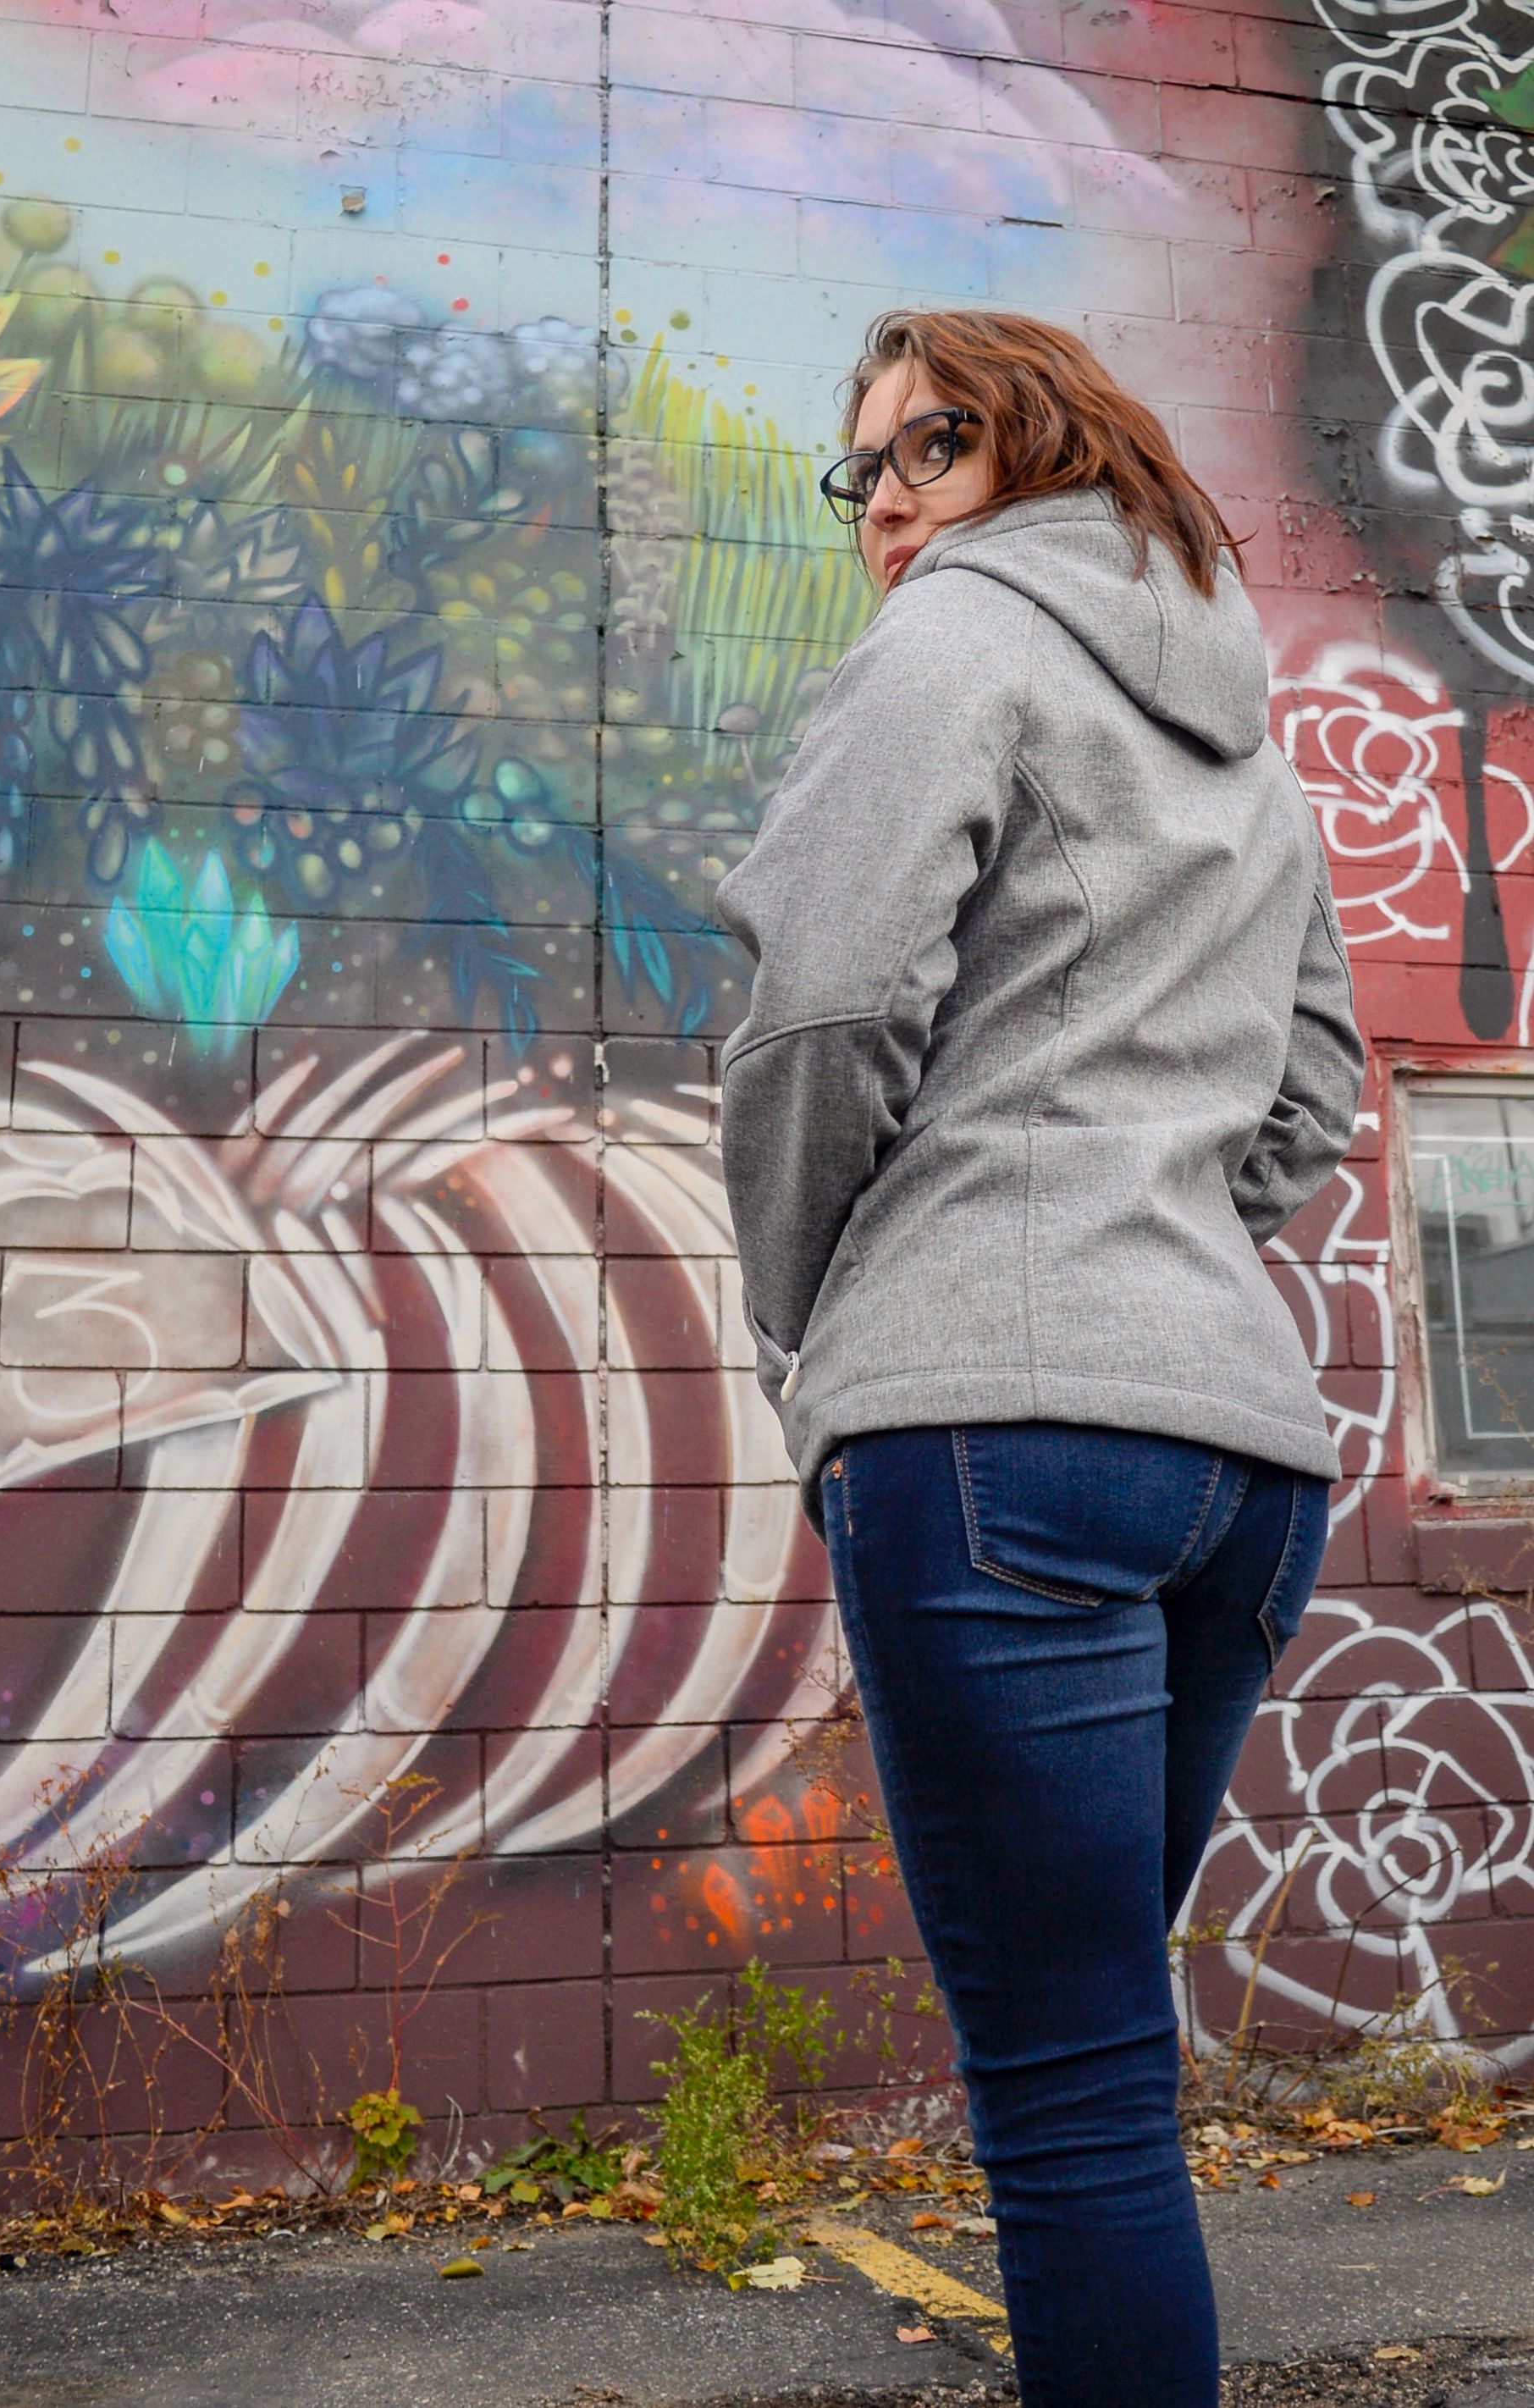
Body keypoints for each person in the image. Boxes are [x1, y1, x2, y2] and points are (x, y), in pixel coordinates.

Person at [715, 311, 1365, 2408]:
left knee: (1068, 2097)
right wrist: (1158, 1245)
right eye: (865, 471)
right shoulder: (1244, 743)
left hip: (994, 1437)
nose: (888, 502)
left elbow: (822, 1007)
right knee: (1106, 2062)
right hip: (1239, 1463)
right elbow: (1314, 1091)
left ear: (1051, 450)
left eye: (934, 447)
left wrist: (818, 1302)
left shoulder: (950, 644)